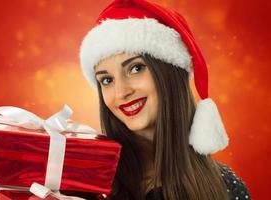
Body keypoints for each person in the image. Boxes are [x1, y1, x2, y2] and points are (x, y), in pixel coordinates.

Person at [79, 0, 251, 199]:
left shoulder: (226, 186)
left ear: (169, 71)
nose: (121, 92)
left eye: (136, 68)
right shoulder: (90, 186)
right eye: (107, 80)